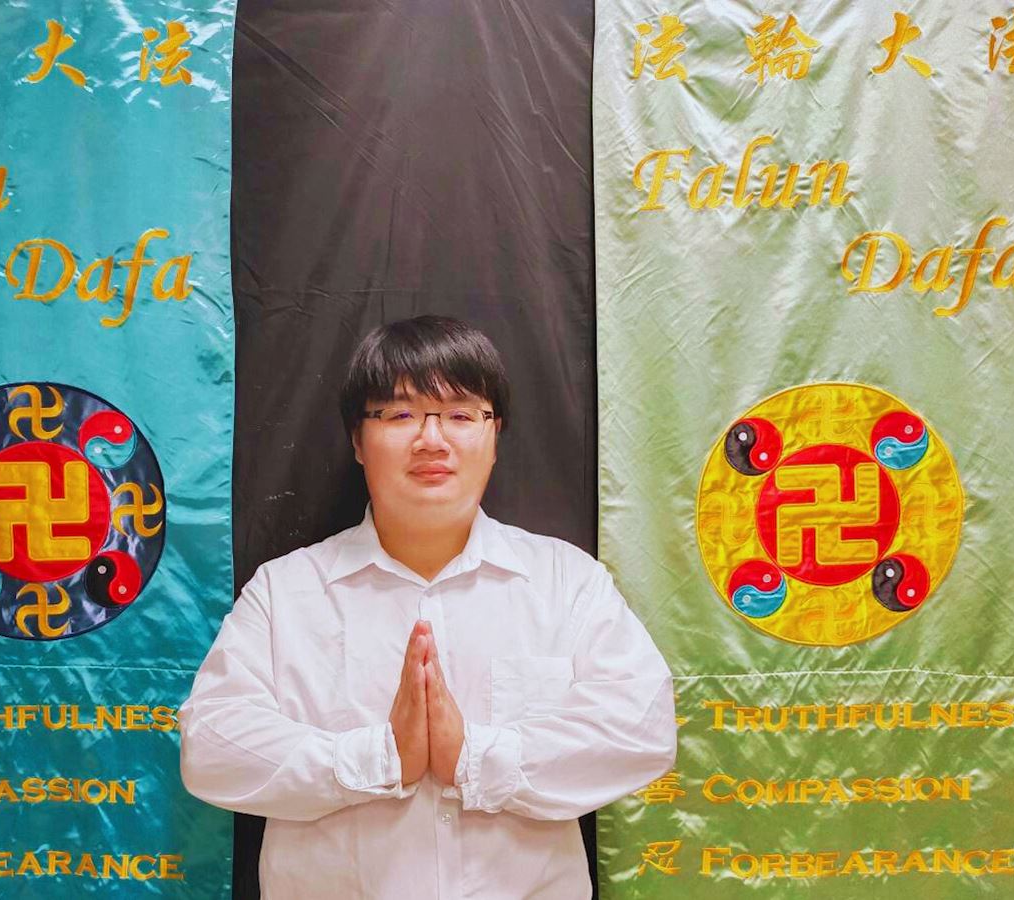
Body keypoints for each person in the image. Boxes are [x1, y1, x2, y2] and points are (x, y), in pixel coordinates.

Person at [180, 315, 675, 898]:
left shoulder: (566, 581)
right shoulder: (284, 592)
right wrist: (379, 759)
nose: (432, 440)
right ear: (358, 442)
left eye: (462, 415)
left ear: (495, 436)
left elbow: (642, 730)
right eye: (400, 415)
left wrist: (475, 757)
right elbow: (211, 746)